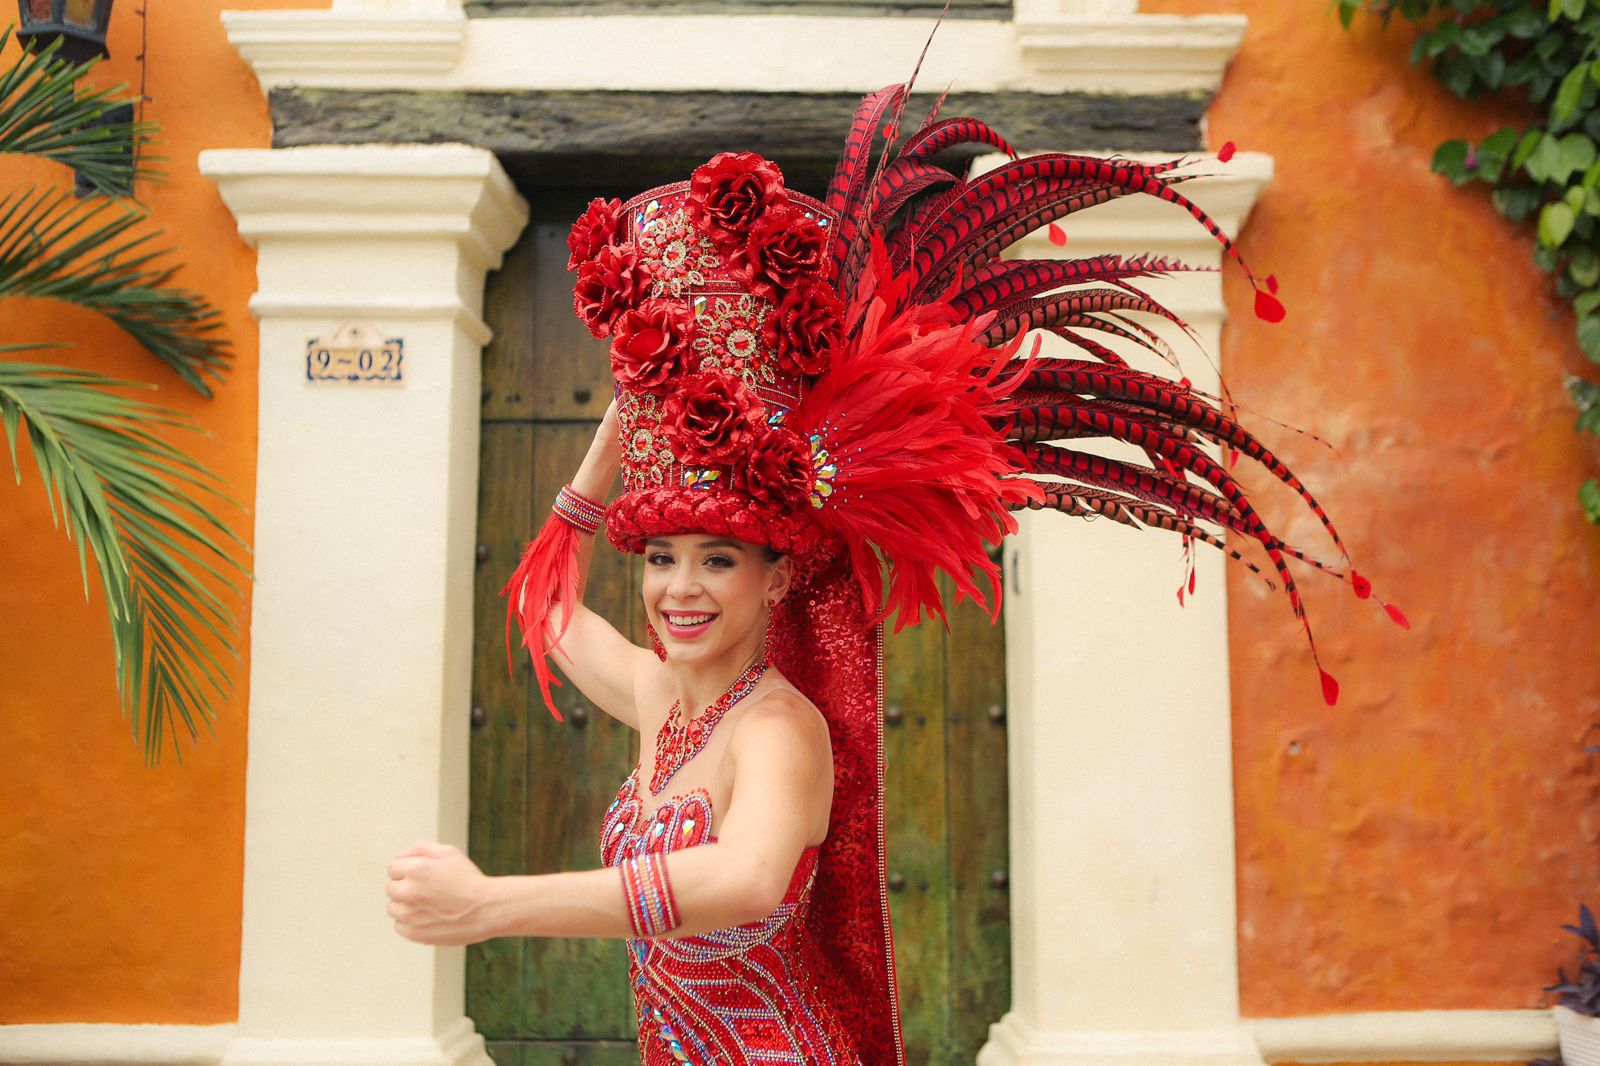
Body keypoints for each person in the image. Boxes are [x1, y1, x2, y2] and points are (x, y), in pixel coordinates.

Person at [386, 82, 1404, 1066]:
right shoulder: (663, 702)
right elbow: (547, 600)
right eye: (661, 560)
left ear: (779, 579)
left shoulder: (781, 727)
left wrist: (493, 906)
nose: (679, 588)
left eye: (718, 559)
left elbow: (741, 880)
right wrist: (614, 443)